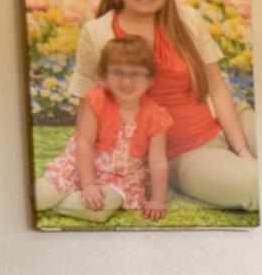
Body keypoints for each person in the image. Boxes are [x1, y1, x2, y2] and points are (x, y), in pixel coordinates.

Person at [69, 0, 257, 211]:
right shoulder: (97, 33)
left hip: (230, 119)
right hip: (184, 153)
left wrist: (242, 149)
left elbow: (216, 87)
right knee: (258, 185)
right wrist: (89, 179)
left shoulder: (188, 19)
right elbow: (89, 111)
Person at [38, 35, 171, 220]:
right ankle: (48, 199)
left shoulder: (156, 115)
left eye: (136, 74)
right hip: (82, 166)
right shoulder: (97, 100)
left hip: (119, 177)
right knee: (41, 196)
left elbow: (158, 161)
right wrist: (89, 184)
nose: (127, 81)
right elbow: (84, 143)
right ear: (103, 76)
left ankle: (57, 205)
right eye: (117, 73)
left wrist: (157, 199)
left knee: (99, 210)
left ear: (150, 80)